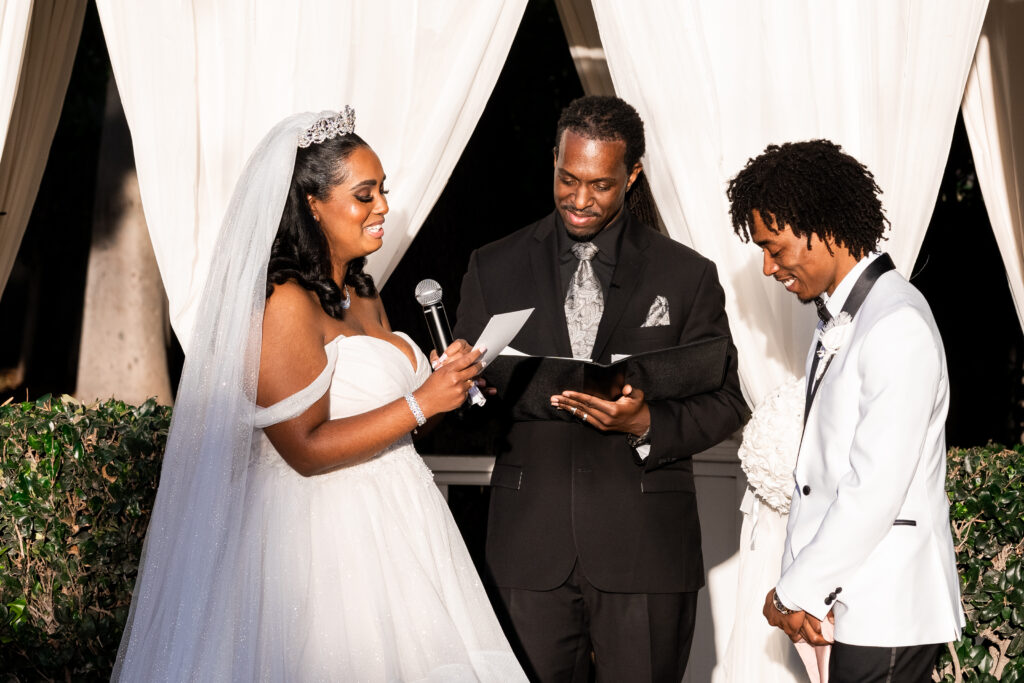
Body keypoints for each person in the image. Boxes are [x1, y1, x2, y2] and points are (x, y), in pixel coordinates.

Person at [112, 109, 528, 681]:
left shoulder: (364, 292)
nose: (383, 206)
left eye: (382, 190)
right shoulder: (285, 304)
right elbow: (304, 449)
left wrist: (443, 391)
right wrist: (420, 401)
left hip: (404, 525)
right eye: (364, 195)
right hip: (323, 544)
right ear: (312, 203)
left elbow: (401, 425)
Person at [453, 95, 748, 682]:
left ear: (632, 174)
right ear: (554, 160)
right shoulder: (493, 265)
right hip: (526, 549)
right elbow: (466, 411)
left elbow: (727, 400)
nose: (580, 199)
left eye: (601, 185)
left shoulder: (686, 274)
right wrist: (466, 390)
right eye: (567, 179)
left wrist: (645, 426)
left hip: (647, 552)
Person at [726, 139, 963, 683]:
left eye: (775, 247)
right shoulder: (839, 319)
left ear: (825, 227)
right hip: (853, 603)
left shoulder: (896, 323)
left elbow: (873, 488)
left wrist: (794, 591)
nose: (766, 267)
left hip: (889, 608)